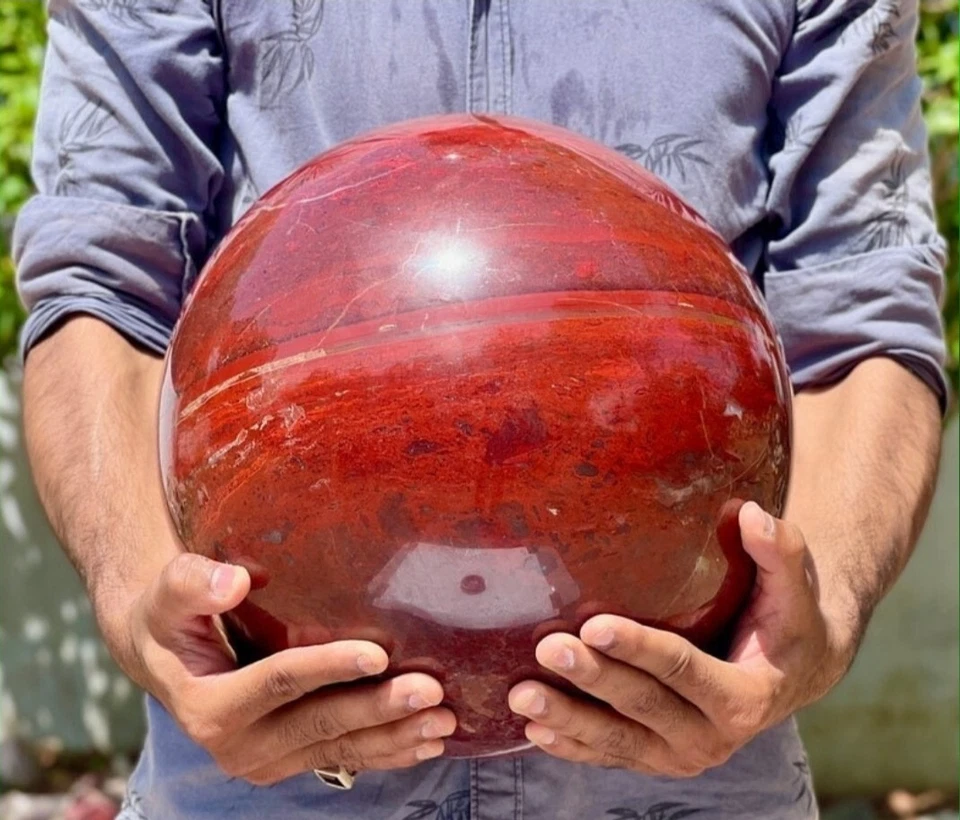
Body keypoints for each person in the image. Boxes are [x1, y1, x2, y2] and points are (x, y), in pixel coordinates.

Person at [13, 1, 947, 818]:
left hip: (692, 769)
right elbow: (99, 284)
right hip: (267, 771)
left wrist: (814, 633)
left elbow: (862, 311)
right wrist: (142, 605)